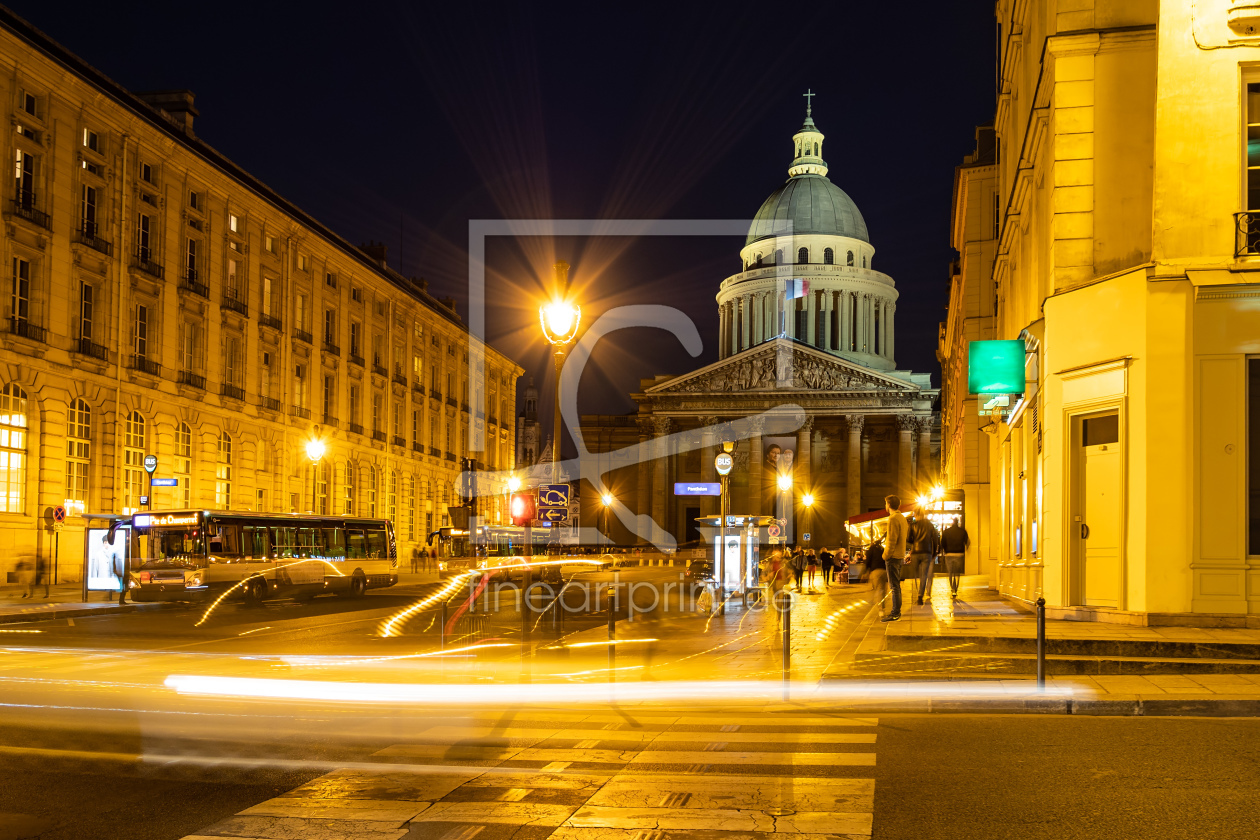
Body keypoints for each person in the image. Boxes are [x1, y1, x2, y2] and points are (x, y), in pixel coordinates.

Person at [881, 494, 909, 622]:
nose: (885, 505)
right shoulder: (902, 518)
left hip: (893, 556)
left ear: (889, 504)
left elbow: (891, 540)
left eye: (886, 503)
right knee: (896, 585)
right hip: (900, 555)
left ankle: (895, 613)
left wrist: (885, 555)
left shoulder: (893, 519)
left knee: (894, 586)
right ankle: (897, 611)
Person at [908, 509, 941, 606]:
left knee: (916, 574)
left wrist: (914, 541)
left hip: (915, 553)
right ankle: (920, 596)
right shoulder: (930, 525)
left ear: (916, 515)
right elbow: (935, 540)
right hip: (927, 552)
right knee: (924, 575)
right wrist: (934, 552)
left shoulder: (913, 525)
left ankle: (918, 591)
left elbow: (908, 539)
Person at [941, 516, 971, 597]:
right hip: (959, 554)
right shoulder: (962, 531)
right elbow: (967, 542)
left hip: (949, 554)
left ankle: (952, 588)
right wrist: (966, 550)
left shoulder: (946, 531)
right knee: (957, 572)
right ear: (958, 522)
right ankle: (956, 587)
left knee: (950, 572)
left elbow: (942, 543)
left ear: (952, 523)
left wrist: (944, 551)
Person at [866, 539, 888, 617]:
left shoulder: (871, 549)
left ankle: (880, 608)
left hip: (875, 571)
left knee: (878, 589)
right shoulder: (883, 549)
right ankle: (881, 607)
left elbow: (868, 560)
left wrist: (866, 571)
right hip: (884, 571)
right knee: (882, 589)